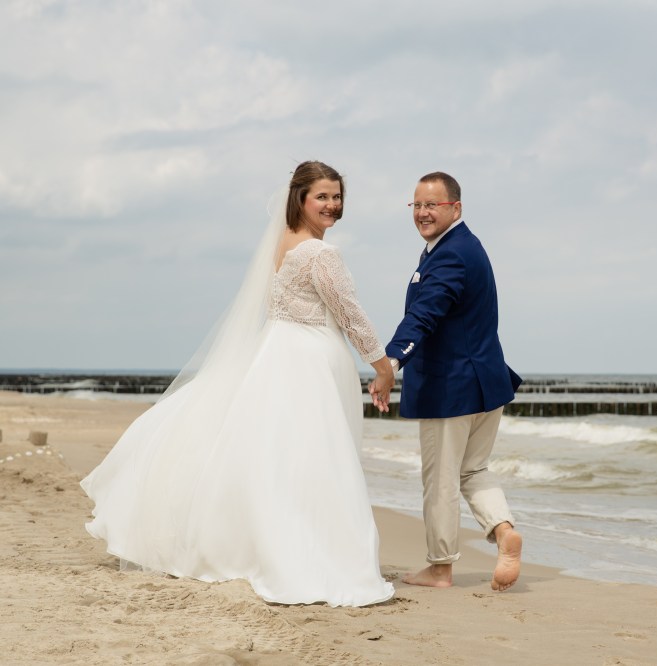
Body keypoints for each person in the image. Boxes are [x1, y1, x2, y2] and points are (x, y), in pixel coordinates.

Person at [80, 161, 395, 607]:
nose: (332, 205)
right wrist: (382, 366)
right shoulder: (322, 254)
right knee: (312, 457)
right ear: (300, 199)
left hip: (279, 351)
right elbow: (350, 314)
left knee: (278, 455)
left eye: (337, 196)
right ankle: (305, 552)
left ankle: (262, 542)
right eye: (322, 196)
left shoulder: (285, 242)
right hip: (307, 359)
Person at [376, 171, 523, 591]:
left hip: (452, 388)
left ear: (454, 208)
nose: (423, 212)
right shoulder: (463, 246)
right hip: (485, 382)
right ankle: (503, 530)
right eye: (417, 205)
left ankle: (441, 568)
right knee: (473, 469)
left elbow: (425, 314)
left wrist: (390, 361)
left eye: (432, 205)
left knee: (440, 478)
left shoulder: (451, 255)